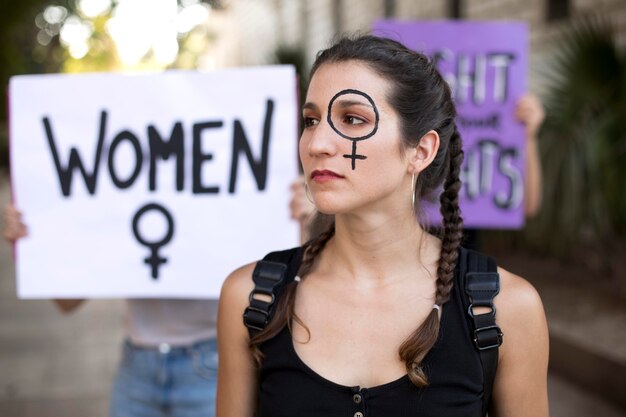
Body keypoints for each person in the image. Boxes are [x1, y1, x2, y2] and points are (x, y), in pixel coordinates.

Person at [217, 34, 549, 416]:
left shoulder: (507, 308)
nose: (317, 143)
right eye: (311, 120)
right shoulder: (249, 297)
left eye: (353, 119)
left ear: (420, 151)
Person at [3, 205, 218, 417]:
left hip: (213, 363)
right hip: (136, 367)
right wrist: (31, 247)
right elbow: (67, 301)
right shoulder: (120, 205)